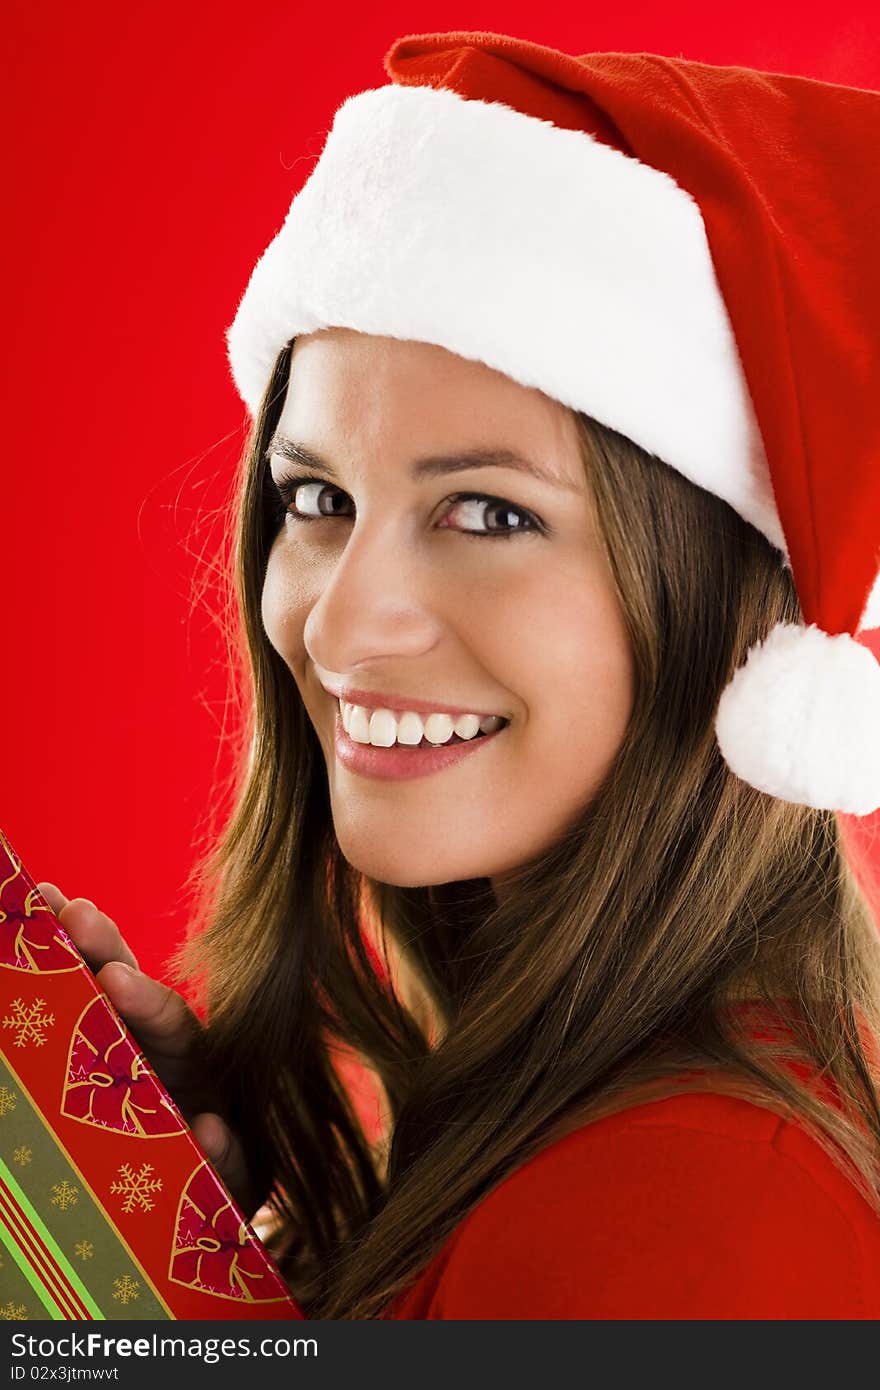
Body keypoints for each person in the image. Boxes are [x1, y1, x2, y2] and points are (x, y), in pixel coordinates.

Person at [38, 31, 880, 1319]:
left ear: (728, 608)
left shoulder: (680, 1226)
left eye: (488, 515)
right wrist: (146, 1262)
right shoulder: (581, 1138)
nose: (341, 625)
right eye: (316, 496)